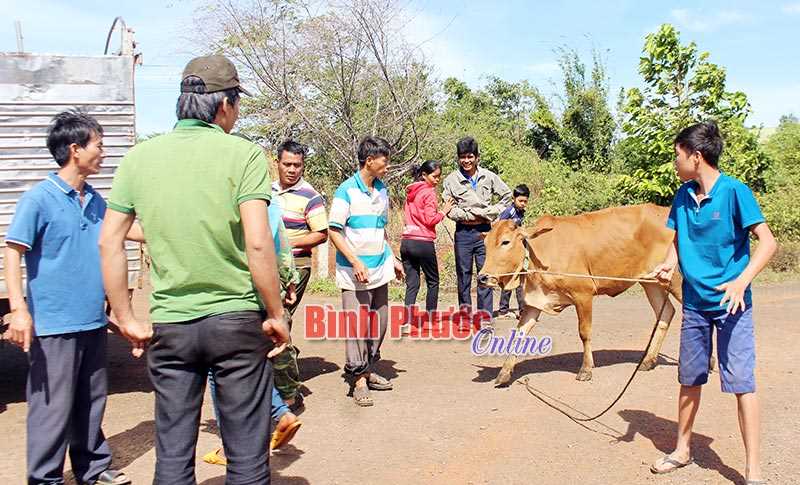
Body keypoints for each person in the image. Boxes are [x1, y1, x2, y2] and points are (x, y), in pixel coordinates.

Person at [99, 55, 289, 484]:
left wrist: (126, 318)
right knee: (246, 457)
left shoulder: (140, 158)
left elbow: (110, 240)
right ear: (224, 105)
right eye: (237, 103)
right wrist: (275, 313)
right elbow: (259, 242)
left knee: (173, 453)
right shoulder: (243, 155)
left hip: (171, 326)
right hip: (236, 323)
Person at [4, 110, 130, 485]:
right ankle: (44, 478)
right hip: (54, 322)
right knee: (51, 406)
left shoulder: (94, 199)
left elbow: (125, 232)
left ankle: (93, 467)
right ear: (76, 149)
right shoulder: (38, 199)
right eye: (99, 145)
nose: (103, 152)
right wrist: (18, 309)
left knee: (91, 401)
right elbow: (13, 251)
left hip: (91, 318)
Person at [647, 121, 776, 485]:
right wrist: (669, 263)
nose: (674, 162)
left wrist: (741, 281)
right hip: (695, 305)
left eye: (677, 155)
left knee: (741, 384)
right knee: (689, 379)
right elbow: (677, 240)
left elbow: (767, 243)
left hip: (733, 306)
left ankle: (753, 470)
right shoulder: (683, 195)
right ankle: (682, 449)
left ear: (696, 156)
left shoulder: (736, 192)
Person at [203, 199, 302, 466]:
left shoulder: (218, 195)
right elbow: (280, 243)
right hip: (261, 293)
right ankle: (281, 413)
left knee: (219, 370)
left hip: (228, 294)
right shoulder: (265, 198)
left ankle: (228, 447)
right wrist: (288, 281)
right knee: (253, 365)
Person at [328, 136, 404, 407]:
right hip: (354, 272)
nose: (387, 165)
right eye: (384, 160)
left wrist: (392, 257)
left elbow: (381, 228)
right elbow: (334, 231)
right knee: (357, 325)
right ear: (369, 161)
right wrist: (355, 261)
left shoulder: (382, 190)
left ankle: (369, 368)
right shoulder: (346, 191)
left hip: (379, 268)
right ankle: (359, 379)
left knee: (379, 323)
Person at [271, 139, 328, 411]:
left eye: (298, 165)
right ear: (277, 163)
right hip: (265, 266)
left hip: (296, 266)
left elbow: (321, 233)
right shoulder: (264, 191)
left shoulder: (310, 195)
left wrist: (283, 243)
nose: (292, 170)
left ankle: (290, 392)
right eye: (287, 164)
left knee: (280, 319)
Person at [442, 136, 511, 324]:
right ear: (458, 158)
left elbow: (507, 196)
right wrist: (469, 214)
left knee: (485, 273)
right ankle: (465, 317)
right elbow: (449, 209)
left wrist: (490, 212)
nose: (466, 161)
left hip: (485, 232)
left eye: (470, 156)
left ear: (477, 157)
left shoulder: (488, 176)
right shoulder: (451, 180)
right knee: (463, 275)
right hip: (463, 233)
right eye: (462, 157)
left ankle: (485, 317)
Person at [400, 160, 453, 321]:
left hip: (407, 241)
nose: (437, 180)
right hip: (423, 241)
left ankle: (407, 322)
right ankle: (430, 320)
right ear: (424, 175)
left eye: (439, 177)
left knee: (412, 283)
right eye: (434, 176)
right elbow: (430, 220)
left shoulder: (410, 192)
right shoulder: (429, 192)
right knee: (433, 281)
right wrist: (444, 211)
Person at [496, 184, 530, 319]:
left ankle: (521, 311)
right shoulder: (508, 212)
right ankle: (504, 310)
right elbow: (500, 229)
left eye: (525, 201)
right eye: (520, 201)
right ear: (513, 199)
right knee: (510, 279)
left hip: (517, 250)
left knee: (519, 279)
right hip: (508, 252)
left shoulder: (521, 212)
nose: (523, 204)